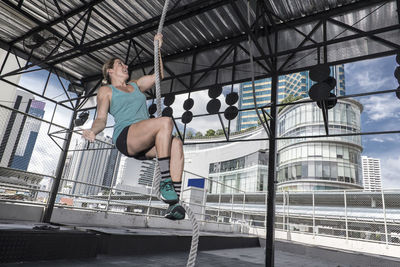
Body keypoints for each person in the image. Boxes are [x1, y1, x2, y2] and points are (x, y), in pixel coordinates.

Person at [82, 34, 185, 220]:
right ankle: (166, 182)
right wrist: (93, 131)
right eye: (120, 64)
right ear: (110, 71)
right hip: (126, 136)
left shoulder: (136, 85)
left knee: (176, 143)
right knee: (165, 122)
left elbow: (159, 76)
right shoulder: (106, 91)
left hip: (145, 140)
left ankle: (174, 203)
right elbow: (101, 118)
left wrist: (158, 49)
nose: (126, 66)